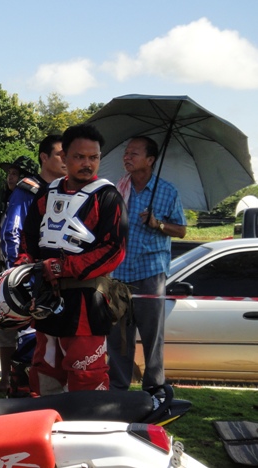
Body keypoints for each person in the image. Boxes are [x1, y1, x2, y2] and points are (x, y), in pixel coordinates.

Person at [18, 123, 127, 394]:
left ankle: (86, 421)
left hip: (87, 303)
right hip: (47, 299)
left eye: (94, 157)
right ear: (64, 157)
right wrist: (25, 263)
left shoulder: (108, 196)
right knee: (45, 369)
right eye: (79, 157)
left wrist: (62, 267)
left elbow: (114, 250)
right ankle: (45, 418)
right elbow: (29, 235)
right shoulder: (47, 192)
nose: (87, 164)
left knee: (86, 373)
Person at [108, 136, 186, 392]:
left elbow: (181, 230)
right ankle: (118, 390)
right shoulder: (117, 189)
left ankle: (154, 389)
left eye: (134, 153)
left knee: (152, 335)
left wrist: (158, 224)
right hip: (119, 271)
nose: (127, 157)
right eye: (126, 152)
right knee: (119, 336)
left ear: (150, 160)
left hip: (150, 272)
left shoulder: (167, 191)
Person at [0, 155, 38, 392]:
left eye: (16, 174)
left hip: (29, 276)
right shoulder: (3, 202)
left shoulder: (36, 200)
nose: (11, 178)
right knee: (4, 329)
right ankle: (5, 379)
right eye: (9, 174)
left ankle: (27, 381)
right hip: (6, 276)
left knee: (30, 332)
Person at [0, 134, 67, 268]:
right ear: (44, 157)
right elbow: (12, 232)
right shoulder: (28, 190)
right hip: (32, 270)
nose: (66, 160)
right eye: (60, 155)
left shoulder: (68, 191)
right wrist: (18, 272)